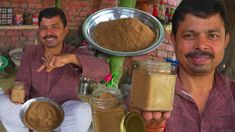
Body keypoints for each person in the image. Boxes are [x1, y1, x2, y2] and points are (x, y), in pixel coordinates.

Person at [131, 0, 235, 131]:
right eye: (189, 35)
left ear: (225, 41)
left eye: (212, 35)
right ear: (174, 40)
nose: (201, 45)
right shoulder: (144, 97)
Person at [0, 7, 109, 132]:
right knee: (2, 101)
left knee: (83, 111)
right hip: (35, 109)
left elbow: (103, 70)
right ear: (39, 32)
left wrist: (71, 59)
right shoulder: (31, 52)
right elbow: (23, 81)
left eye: (55, 27)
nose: (49, 33)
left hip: (65, 109)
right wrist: (19, 90)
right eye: (43, 28)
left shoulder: (74, 53)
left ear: (65, 30)